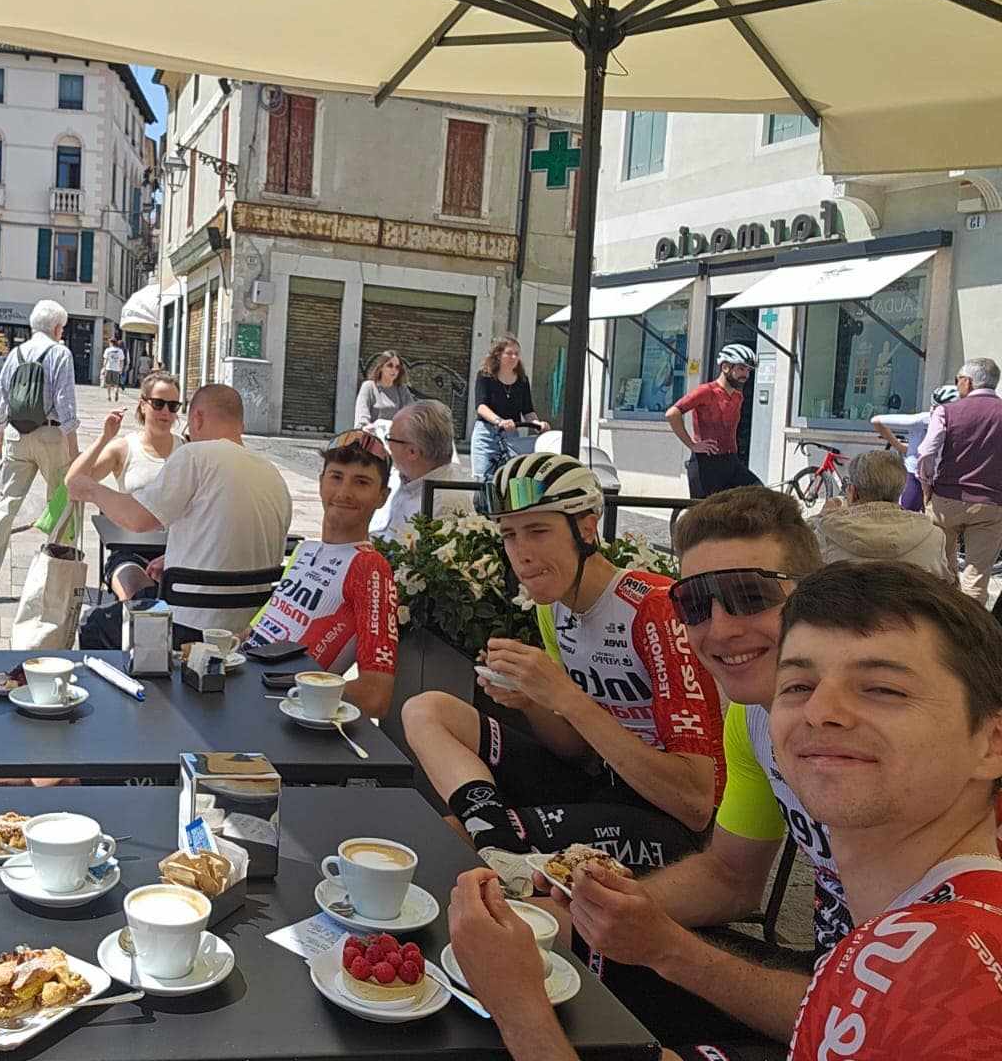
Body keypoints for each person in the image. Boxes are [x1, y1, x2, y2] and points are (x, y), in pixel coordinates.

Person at [445, 561, 1002, 1061]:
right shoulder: (900, 931)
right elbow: (730, 878)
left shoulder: (955, 974)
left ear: (992, 743)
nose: (821, 711)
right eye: (797, 685)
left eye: (883, 689)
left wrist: (520, 1011)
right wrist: (645, 935)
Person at [530, 487, 832, 1055]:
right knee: (556, 950)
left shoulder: (873, 739)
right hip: (836, 976)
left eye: (749, 595)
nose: (719, 629)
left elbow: (892, 1016)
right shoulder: (750, 717)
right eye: (693, 604)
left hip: (899, 1014)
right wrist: (609, 906)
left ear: (813, 596)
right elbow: (729, 876)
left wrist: (666, 947)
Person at [402, 453, 724, 871]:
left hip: (668, 821)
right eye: (509, 535)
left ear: (586, 528)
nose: (521, 554)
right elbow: (581, 755)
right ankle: (497, 834)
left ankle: (500, 842)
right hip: (599, 783)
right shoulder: (552, 607)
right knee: (426, 710)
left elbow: (695, 803)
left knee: (448, 842)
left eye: (538, 531)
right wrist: (533, 701)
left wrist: (565, 695)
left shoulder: (655, 610)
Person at [69, 383, 291, 644]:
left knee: (94, 624)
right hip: (249, 629)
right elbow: (236, 538)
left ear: (197, 418)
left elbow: (137, 519)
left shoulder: (195, 456)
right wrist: (177, 557)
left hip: (187, 625)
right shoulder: (274, 476)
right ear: (240, 425)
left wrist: (92, 490)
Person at [244, 429, 400, 718]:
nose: (344, 493)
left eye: (361, 482)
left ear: (382, 497)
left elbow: (375, 695)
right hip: (240, 687)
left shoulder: (370, 568)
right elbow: (255, 632)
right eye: (336, 477)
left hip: (273, 710)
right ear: (320, 482)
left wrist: (288, 688)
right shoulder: (306, 550)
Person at [0, 300, 80, 601]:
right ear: (57, 328)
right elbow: (65, 402)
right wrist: (74, 449)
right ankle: (56, 568)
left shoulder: (16, 354)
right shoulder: (60, 353)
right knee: (60, 499)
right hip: (50, 435)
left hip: (16, 435)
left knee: (7, 503)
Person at [65, 369, 181, 600]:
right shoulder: (125, 448)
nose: (166, 412)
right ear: (143, 405)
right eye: (158, 404)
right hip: (130, 550)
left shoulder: (186, 451)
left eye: (173, 406)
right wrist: (104, 438)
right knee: (138, 596)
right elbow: (74, 483)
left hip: (177, 551)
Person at [918, 356, 1002, 603]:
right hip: (991, 502)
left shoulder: (947, 411)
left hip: (947, 497)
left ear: (968, 382)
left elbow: (926, 452)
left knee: (940, 567)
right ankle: (971, 622)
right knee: (977, 577)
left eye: (958, 380)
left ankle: (943, 615)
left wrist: (926, 484)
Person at [812, 447, 950, 577]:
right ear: (900, 491)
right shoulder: (933, 536)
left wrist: (820, 518)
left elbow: (802, 563)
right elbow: (946, 585)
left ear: (854, 493)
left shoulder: (825, 534)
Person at [667, 342, 762, 498]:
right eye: (741, 369)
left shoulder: (738, 397)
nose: (746, 375)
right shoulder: (706, 391)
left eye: (748, 370)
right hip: (707, 463)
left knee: (759, 494)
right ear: (725, 367)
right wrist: (692, 445)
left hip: (731, 461)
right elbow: (672, 413)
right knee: (706, 510)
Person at [373, 399, 474, 540]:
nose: (387, 446)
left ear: (412, 452)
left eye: (389, 439)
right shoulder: (407, 476)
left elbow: (408, 551)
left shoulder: (443, 503)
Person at [470, 335, 548, 483]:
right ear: (498, 355)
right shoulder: (485, 376)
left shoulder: (522, 380)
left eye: (516, 354)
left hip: (511, 436)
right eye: (509, 353)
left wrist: (537, 424)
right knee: (484, 479)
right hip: (487, 434)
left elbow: (528, 410)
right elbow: (481, 406)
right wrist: (499, 421)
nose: (514, 357)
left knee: (510, 479)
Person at [870, 383, 960, 510]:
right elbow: (876, 421)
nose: (934, 411)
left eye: (940, 409)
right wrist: (899, 445)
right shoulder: (921, 420)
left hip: (942, 477)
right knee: (907, 515)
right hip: (915, 475)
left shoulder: (959, 424)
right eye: (933, 406)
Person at [354, 350, 414, 430]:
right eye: (390, 365)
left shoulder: (402, 390)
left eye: (397, 367)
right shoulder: (369, 387)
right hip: (372, 434)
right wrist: (366, 427)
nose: (394, 370)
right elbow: (362, 416)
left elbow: (411, 415)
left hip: (394, 435)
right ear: (381, 367)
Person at [101, 336, 126, 401]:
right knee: (116, 384)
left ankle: (109, 396)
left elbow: (105, 360)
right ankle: (116, 391)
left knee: (108, 383)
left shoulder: (107, 350)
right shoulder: (120, 350)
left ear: (111, 343)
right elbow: (122, 361)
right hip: (116, 369)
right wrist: (121, 369)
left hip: (108, 368)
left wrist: (104, 368)